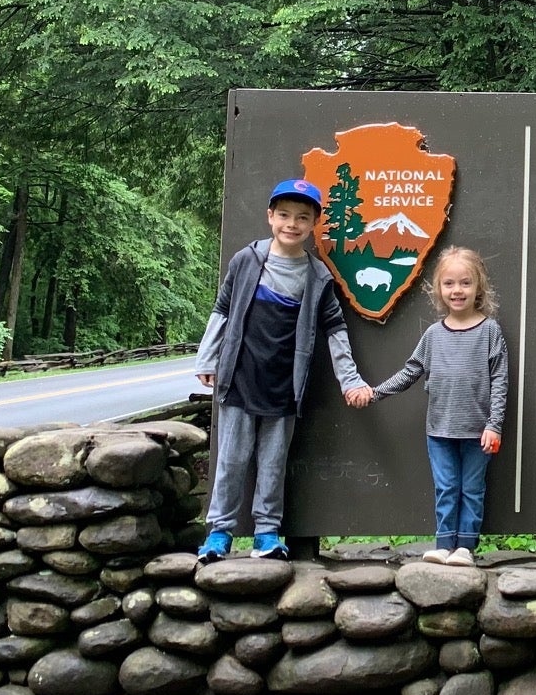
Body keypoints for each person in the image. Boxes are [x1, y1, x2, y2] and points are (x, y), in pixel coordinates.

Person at [192, 178, 374, 562]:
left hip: (285, 387)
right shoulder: (246, 261)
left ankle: (266, 534)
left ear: (314, 224)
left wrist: (350, 379)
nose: (292, 224)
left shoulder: (317, 276)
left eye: (303, 217)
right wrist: (207, 359)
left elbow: (335, 328)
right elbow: (222, 308)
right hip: (239, 380)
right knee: (231, 461)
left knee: (273, 464)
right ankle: (219, 533)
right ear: (270, 216)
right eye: (285, 215)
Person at [369, 246, 508, 566]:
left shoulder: (489, 331)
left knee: (471, 489)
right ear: (439, 289)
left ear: (478, 287)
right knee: (446, 488)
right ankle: (444, 544)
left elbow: (500, 380)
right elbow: (409, 372)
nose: (457, 290)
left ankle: (465, 548)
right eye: (449, 283)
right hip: (439, 431)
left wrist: (494, 424)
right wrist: (375, 393)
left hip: (478, 433)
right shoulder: (433, 335)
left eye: (465, 283)